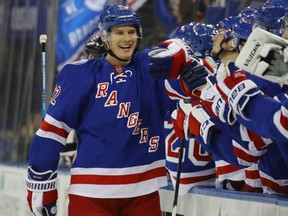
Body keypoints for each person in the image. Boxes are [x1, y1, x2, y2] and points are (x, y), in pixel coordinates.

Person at [26, 5, 175, 216]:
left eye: (131, 32)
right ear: (105, 37)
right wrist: (41, 184)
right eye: (119, 32)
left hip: (143, 193)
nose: (127, 38)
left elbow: (177, 53)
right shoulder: (80, 75)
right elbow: (51, 133)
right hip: (91, 195)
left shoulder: (150, 69)